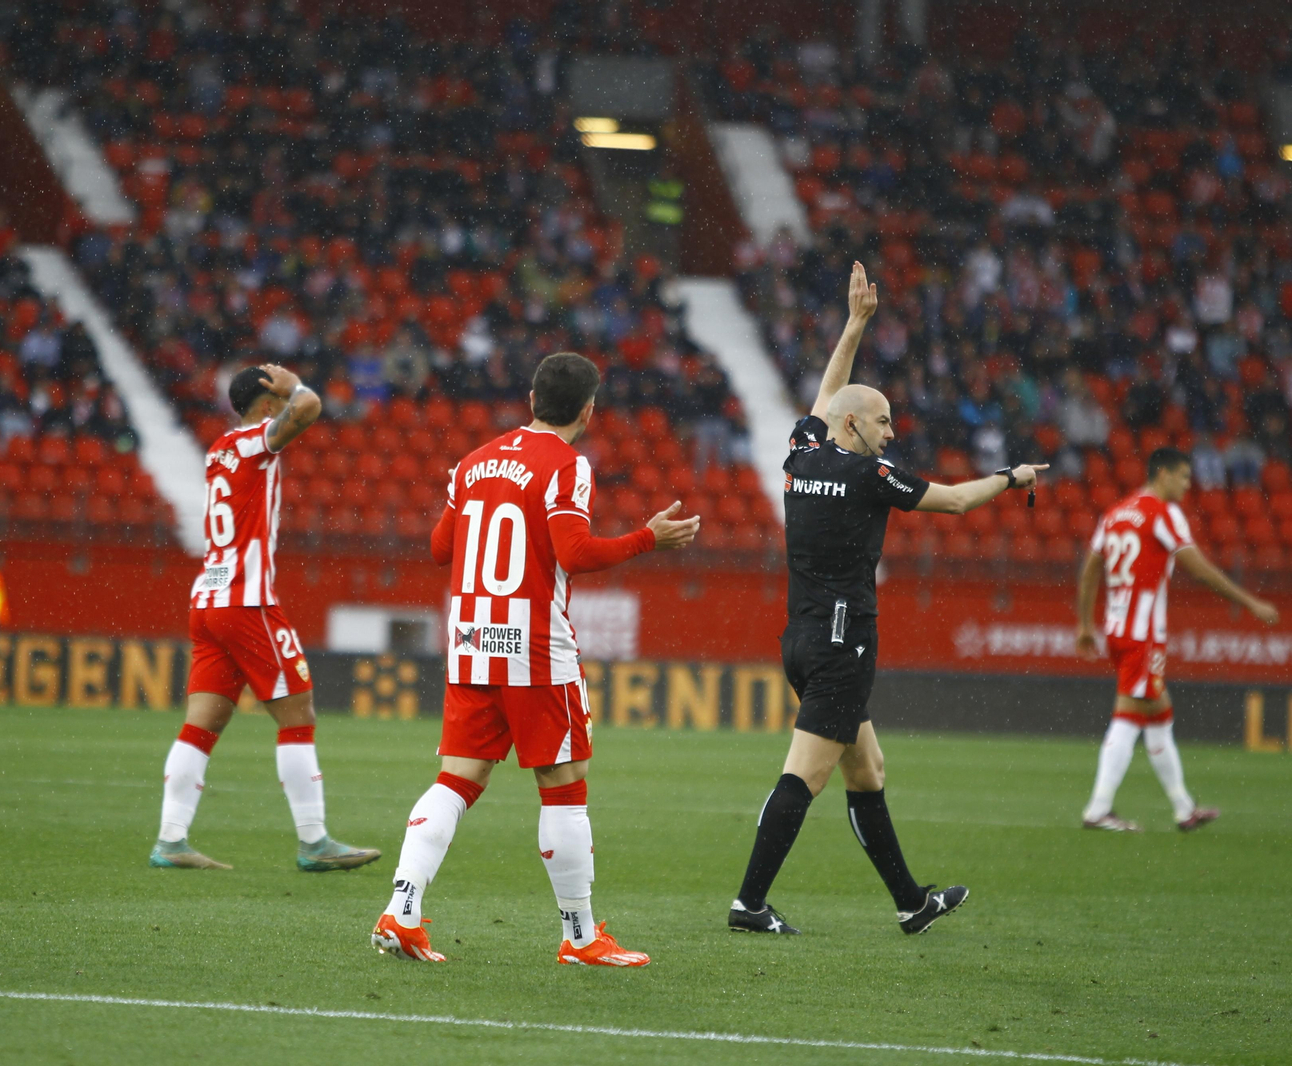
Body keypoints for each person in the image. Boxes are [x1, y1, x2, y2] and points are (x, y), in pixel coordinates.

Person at [728, 262, 1045, 937]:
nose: (892, 431)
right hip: (843, 642)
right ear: (853, 425)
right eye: (883, 420)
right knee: (804, 777)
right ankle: (749, 904)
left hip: (801, 638)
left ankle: (911, 903)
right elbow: (954, 502)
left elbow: (826, 393)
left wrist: (854, 325)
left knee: (867, 768)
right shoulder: (871, 474)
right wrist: (1010, 476)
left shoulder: (800, 455)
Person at [371, 352, 699, 966]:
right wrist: (648, 538)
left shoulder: (473, 461)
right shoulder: (567, 465)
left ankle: (402, 911)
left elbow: (440, 549)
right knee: (563, 784)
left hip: (472, 639)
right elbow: (575, 554)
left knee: (456, 779)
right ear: (588, 410)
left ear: (530, 398)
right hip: (535, 648)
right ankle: (580, 936)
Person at [151, 364, 381, 873]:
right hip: (245, 600)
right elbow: (310, 407)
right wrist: (293, 383)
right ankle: (314, 842)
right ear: (268, 403)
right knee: (298, 716)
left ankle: (170, 839)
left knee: (202, 724)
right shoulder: (255, 441)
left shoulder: (218, 449)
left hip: (207, 600)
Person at [1075, 447, 1279, 832]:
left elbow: (1089, 570)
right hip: (1143, 634)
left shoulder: (1115, 513)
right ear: (1163, 474)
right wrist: (1250, 602)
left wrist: (1085, 624)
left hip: (1117, 628)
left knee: (1159, 715)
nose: (1188, 485)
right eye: (1183, 477)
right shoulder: (1162, 513)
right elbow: (1198, 569)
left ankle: (1184, 808)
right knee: (1128, 715)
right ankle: (1098, 808)